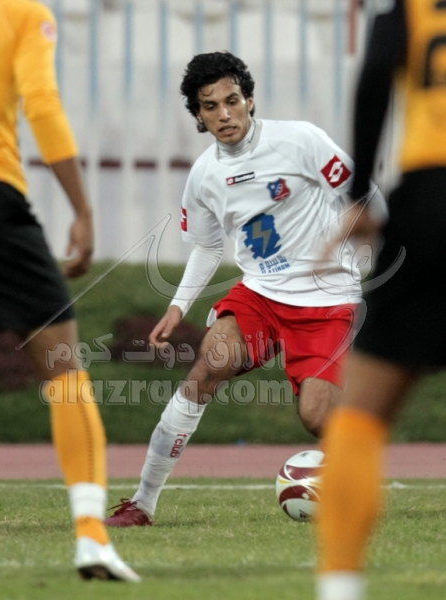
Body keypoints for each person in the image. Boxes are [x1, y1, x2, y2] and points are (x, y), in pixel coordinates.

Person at [105, 51, 385, 528]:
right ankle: (142, 503)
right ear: (198, 115)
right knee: (207, 368)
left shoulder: (300, 140)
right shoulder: (203, 176)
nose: (224, 114)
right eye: (210, 106)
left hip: (328, 302)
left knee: (318, 417)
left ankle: (355, 473)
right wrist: (177, 306)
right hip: (261, 297)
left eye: (231, 100)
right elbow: (207, 246)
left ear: (249, 100)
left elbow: (365, 195)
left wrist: (368, 258)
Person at [0, 0, 139, 582]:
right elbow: (42, 104)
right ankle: (92, 537)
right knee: (65, 368)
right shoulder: (22, 14)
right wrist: (82, 209)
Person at [315, 1, 446, 599]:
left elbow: (374, 77)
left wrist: (360, 195)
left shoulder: (412, 10)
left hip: (432, 199)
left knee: (361, 416)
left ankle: (341, 587)